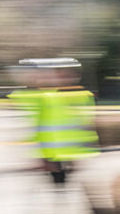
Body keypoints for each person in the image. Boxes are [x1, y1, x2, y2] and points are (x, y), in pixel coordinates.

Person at [9, 58, 99, 187]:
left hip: (68, 157)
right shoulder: (44, 97)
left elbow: (84, 125)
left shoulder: (78, 96)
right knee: (60, 187)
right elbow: (37, 127)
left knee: (68, 187)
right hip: (55, 156)